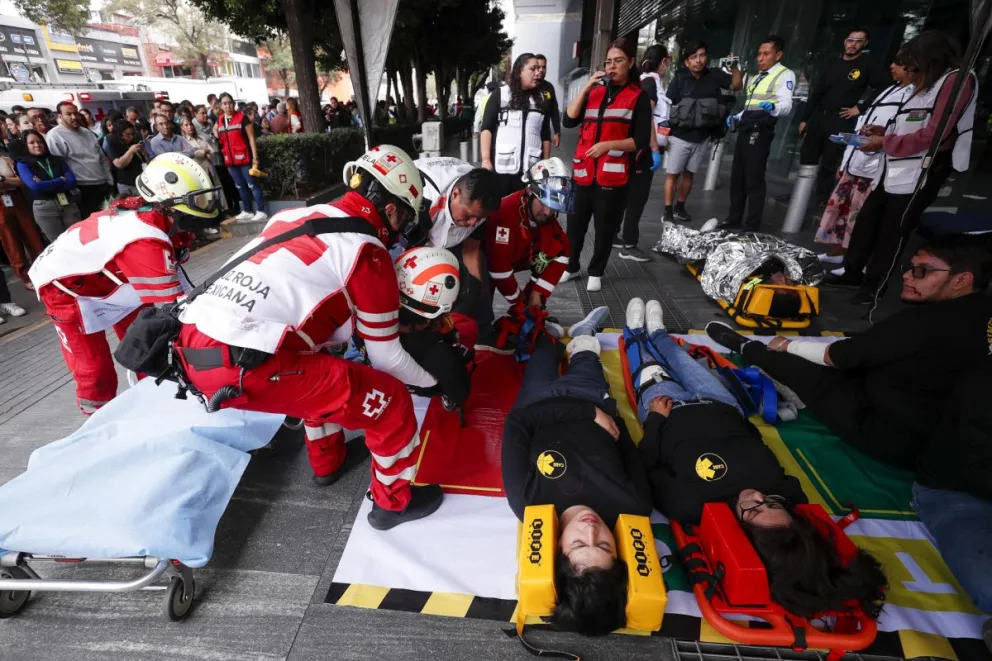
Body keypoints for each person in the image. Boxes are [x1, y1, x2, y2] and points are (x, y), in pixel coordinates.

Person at [174, 145, 452, 531]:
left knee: (319, 362)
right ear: (391, 210)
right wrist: (434, 383)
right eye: (404, 218)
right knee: (392, 402)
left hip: (194, 342)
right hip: (245, 361)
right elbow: (387, 358)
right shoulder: (367, 251)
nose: (402, 230)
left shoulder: (293, 215)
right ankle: (393, 504)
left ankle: (328, 461)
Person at [624, 297, 887, 620]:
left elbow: (647, 463)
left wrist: (655, 419)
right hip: (721, 404)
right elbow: (756, 443)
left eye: (753, 510)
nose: (758, 497)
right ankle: (659, 331)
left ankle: (635, 333)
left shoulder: (690, 504)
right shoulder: (788, 493)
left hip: (667, 408)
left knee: (645, 359)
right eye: (772, 504)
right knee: (678, 355)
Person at [705, 233, 992, 472]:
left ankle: (745, 346)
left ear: (961, 280)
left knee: (807, 371)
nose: (907, 277)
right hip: (951, 435)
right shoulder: (979, 313)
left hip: (895, 436)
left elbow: (839, 356)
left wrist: (788, 344)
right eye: (910, 267)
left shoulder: (926, 322)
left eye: (922, 271)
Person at [27, 153, 217, 415]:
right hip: (65, 290)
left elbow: (182, 290)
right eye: (198, 199)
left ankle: (153, 400)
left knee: (145, 345)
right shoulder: (144, 240)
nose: (206, 205)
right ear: (168, 202)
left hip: (110, 282)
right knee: (93, 367)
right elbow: (175, 309)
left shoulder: (154, 219)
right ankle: (97, 422)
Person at [501, 305, 652, 636]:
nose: (592, 532)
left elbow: (518, 423)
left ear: (558, 550)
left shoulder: (528, 503)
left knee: (544, 351)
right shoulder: (634, 504)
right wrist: (602, 414)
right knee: (586, 355)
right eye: (604, 547)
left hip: (539, 403)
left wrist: (584, 414)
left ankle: (552, 332)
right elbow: (626, 444)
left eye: (580, 546)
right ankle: (583, 332)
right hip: (593, 400)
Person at [825, 31, 977, 305]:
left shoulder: (956, 81)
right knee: (868, 221)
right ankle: (852, 271)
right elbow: (911, 123)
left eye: (912, 64)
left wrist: (885, 142)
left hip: (921, 170)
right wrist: (885, 132)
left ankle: (874, 286)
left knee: (893, 230)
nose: (907, 71)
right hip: (892, 166)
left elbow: (936, 134)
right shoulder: (923, 85)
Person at [562, 37, 652, 292]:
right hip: (583, 173)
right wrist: (586, 87)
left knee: (605, 227)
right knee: (575, 226)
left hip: (612, 176)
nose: (612, 67)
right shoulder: (595, 92)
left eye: (618, 61)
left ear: (631, 62)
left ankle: (596, 271)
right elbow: (569, 121)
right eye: (608, 62)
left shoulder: (638, 97)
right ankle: (571, 266)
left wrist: (608, 145)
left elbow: (641, 140)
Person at [815, 57, 915, 265]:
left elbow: (903, 131)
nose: (892, 66)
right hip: (856, 159)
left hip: (874, 167)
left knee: (859, 216)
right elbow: (865, 121)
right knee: (841, 209)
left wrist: (881, 136)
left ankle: (853, 261)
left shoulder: (913, 95)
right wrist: (845, 163)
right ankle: (837, 251)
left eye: (898, 63)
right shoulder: (889, 90)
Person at [799, 29, 890, 201]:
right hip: (819, 116)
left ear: (864, 44)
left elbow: (884, 86)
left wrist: (861, 107)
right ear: (844, 41)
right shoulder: (833, 62)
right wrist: (805, 118)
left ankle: (821, 198)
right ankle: (800, 194)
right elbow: (817, 92)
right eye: (850, 40)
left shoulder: (867, 64)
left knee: (829, 161)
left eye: (858, 41)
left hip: (841, 119)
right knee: (807, 156)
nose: (853, 44)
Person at [718, 36, 796, 232]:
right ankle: (734, 218)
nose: (761, 58)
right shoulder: (757, 76)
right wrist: (737, 116)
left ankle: (751, 225)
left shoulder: (784, 75)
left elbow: (786, 105)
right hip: (746, 129)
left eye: (766, 54)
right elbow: (750, 105)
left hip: (760, 132)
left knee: (753, 180)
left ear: (778, 55)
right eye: (759, 54)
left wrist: (773, 107)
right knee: (738, 178)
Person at [664, 41, 743, 226]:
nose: (698, 60)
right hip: (679, 137)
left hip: (701, 138)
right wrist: (663, 137)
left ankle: (680, 206)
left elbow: (737, 86)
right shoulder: (680, 79)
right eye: (693, 57)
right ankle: (668, 210)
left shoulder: (715, 75)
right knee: (673, 175)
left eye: (701, 55)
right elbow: (667, 108)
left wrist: (734, 67)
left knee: (690, 174)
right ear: (686, 62)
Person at [483, 157, 573, 316]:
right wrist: (519, 302)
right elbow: (498, 267)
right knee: (481, 311)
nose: (548, 213)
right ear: (530, 191)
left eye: (554, 206)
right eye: (544, 203)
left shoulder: (545, 218)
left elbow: (563, 251)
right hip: (486, 259)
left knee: (559, 246)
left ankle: (534, 304)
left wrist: (537, 291)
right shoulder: (504, 214)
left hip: (518, 254)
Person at [615, 44, 672, 262]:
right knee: (636, 198)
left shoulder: (648, 81)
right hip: (645, 151)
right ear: (664, 62)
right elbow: (646, 117)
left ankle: (615, 236)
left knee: (627, 195)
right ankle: (629, 244)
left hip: (644, 149)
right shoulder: (650, 82)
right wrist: (655, 148)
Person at [480, 53, 553, 197]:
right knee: (499, 212)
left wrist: (545, 164)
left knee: (523, 212)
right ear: (520, 71)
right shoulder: (500, 95)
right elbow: (486, 128)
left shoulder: (541, 100)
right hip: (501, 171)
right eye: (533, 69)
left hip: (529, 172)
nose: (538, 72)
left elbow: (545, 135)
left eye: (539, 69)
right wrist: (486, 160)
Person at [45, 102, 114, 218]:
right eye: (68, 114)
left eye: (75, 113)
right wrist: (72, 189)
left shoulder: (87, 132)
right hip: (81, 188)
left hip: (102, 183)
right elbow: (59, 166)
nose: (74, 117)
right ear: (60, 116)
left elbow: (101, 158)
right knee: (93, 224)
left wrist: (109, 180)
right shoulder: (55, 135)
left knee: (110, 218)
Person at [15, 129, 81, 242]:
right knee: (58, 244)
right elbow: (35, 187)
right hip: (45, 207)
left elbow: (71, 182)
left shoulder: (56, 159)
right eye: (32, 143)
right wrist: (60, 180)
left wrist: (43, 183)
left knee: (77, 239)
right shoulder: (23, 164)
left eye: (40, 141)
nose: (37, 145)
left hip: (67, 202)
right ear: (25, 145)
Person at [215, 92, 267, 222]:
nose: (228, 106)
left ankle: (261, 210)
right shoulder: (220, 119)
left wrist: (255, 157)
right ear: (221, 105)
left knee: (252, 184)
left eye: (230, 103)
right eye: (225, 104)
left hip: (244, 158)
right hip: (230, 160)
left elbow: (251, 137)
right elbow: (217, 132)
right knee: (240, 186)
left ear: (233, 104)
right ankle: (247, 210)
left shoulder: (242, 118)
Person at [0, 149, 43, 290]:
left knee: (32, 234)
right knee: (10, 241)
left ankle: (42, 268)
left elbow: (22, 180)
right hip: (2, 204)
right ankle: (25, 276)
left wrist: (5, 180)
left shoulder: (6, 159)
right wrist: (11, 181)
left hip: (16, 198)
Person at [104, 120, 147, 197]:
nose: (131, 137)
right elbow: (119, 164)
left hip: (141, 181)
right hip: (127, 184)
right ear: (119, 135)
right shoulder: (112, 143)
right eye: (127, 134)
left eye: (132, 134)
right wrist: (131, 151)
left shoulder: (133, 140)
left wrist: (144, 153)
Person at [534, 54, 561, 149]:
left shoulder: (549, 87)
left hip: (545, 135)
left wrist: (557, 132)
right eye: (538, 67)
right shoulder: (527, 86)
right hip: (530, 134)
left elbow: (554, 111)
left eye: (544, 67)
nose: (541, 70)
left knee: (545, 163)